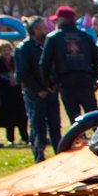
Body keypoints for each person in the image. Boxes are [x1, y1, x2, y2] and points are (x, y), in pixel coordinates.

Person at [40, 6, 98, 121]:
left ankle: (79, 138)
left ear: (61, 20)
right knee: (93, 114)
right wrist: (93, 77)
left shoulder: (53, 38)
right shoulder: (86, 36)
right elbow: (97, 60)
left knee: (74, 118)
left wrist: (49, 84)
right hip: (85, 78)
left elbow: (44, 64)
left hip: (65, 80)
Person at [16, 16, 60, 161]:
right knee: (38, 126)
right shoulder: (24, 48)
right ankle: (39, 156)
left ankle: (59, 153)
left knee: (55, 125)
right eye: (43, 27)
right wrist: (37, 90)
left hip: (51, 91)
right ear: (34, 30)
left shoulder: (46, 45)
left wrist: (53, 85)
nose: (46, 30)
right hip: (35, 95)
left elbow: (53, 66)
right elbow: (23, 73)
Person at [0, 40, 28, 145]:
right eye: (3, 50)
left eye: (7, 49)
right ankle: (10, 138)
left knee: (22, 115)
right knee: (8, 117)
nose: (6, 52)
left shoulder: (16, 60)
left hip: (18, 91)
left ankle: (25, 136)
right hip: (6, 93)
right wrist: (6, 80)